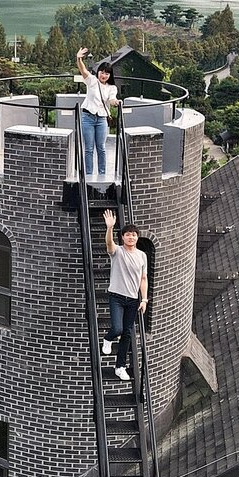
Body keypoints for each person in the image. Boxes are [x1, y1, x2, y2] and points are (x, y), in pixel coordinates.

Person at [102, 209, 148, 382]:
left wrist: (144, 299)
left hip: (133, 299)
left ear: (137, 238)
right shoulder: (118, 252)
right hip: (116, 296)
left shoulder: (142, 256)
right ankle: (107, 339)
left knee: (128, 334)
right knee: (118, 329)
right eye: (128, 235)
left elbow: (143, 279)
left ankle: (120, 367)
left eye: (134, 235)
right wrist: (110, 228)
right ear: (123, 237)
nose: (131, 237)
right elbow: (109, 244)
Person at [75, 47, 117, 180]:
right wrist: (79, 58)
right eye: (102, 72)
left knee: (101, 148)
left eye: (107, 74)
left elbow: (112, 99)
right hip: (87, 116)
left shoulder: (112, 87)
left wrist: (116, 102)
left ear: (110, 76)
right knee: (88, 148)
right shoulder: (92, 81)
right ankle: (88, 175)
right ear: (98, 72)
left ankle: (102, 173)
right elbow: (83, 70)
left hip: (101, 119)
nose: (104, 75)